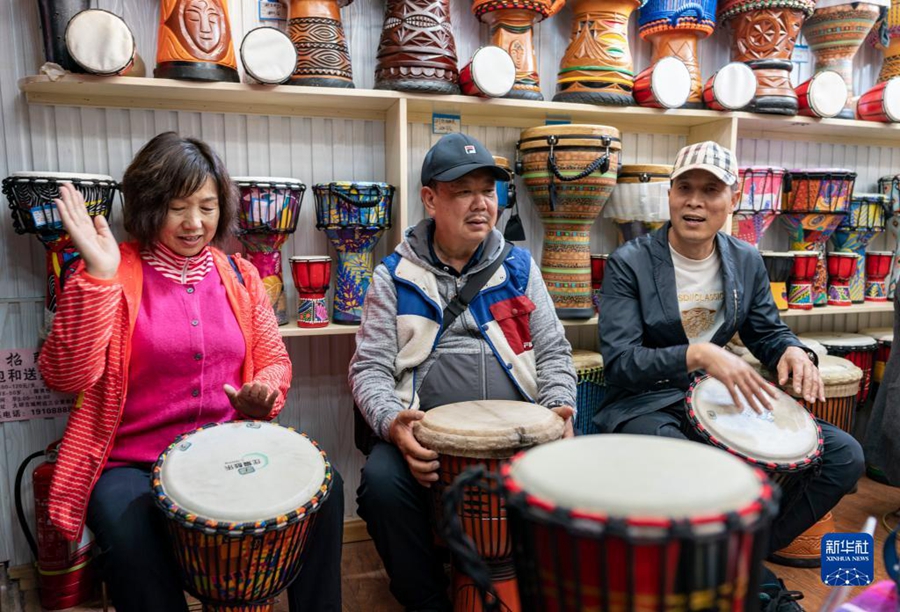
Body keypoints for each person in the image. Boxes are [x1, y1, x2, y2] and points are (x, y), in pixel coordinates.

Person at [38, 132, 343, 612]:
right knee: (123, 522)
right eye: (178, 207)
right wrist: (97, 274)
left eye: (207, 206)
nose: (194, 223)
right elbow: (64, 376)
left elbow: (273, 359)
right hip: (131, 465)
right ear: (147, 205)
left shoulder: (240, 276)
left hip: (227, 449)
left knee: (326, 489)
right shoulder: (110, 272)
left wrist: (261, 392)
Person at [598, 141, 864, 609]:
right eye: (684, 188)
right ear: (670, 195)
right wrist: (697, 355)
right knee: (692, 472)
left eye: (710, 190)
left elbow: (768, 330)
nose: (695, 201)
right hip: (645, 405)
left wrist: (794, 352)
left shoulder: (745, 259)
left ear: (733, 199)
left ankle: (737, 557)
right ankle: (755, 587)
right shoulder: (631, 262)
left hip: (718, 402)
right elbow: (621, 362)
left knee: (844, 455)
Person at [349, 132, 577, 611]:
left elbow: (555, 351)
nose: (481, 203)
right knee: (382, 487)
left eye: (488, 190)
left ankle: (535, 589)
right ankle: (428, 599)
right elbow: (368, 370)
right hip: (426, 435)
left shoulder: (519, 266)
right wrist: (393, 423)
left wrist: (559, 406)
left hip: (518, 430)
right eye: (463, 191)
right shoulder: (393, 276)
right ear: (430, 199)